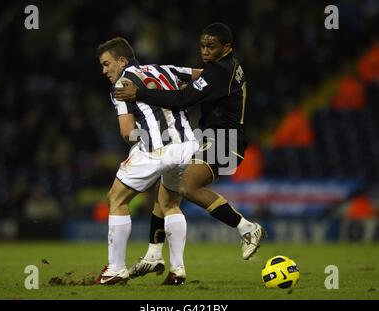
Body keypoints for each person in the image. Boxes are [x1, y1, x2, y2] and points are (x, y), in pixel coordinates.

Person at [115, 23, 266, 276]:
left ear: (226, 48)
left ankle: (247, 228)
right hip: (213, 136)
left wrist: (138, 93)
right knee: (165, 192)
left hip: (225, 140)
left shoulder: (219, 72)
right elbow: (195, 89)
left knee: (188, 187)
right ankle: (153, 254)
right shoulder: (224, 67)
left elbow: (183, 100)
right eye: (203, 45)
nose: (205, 51)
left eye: (211, 46)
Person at [96, 36, 201, 285]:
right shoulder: (164, 69)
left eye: (106, 63)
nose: (104, 70)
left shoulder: (122, 84)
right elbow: (204, 76)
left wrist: (140, 146)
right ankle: (177, 270)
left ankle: (116, 269)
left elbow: (126, 131)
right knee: (170, 203)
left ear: (122, 60)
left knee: (116, 198)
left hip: (157, 150)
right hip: (188, 146)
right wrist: (187, 94)